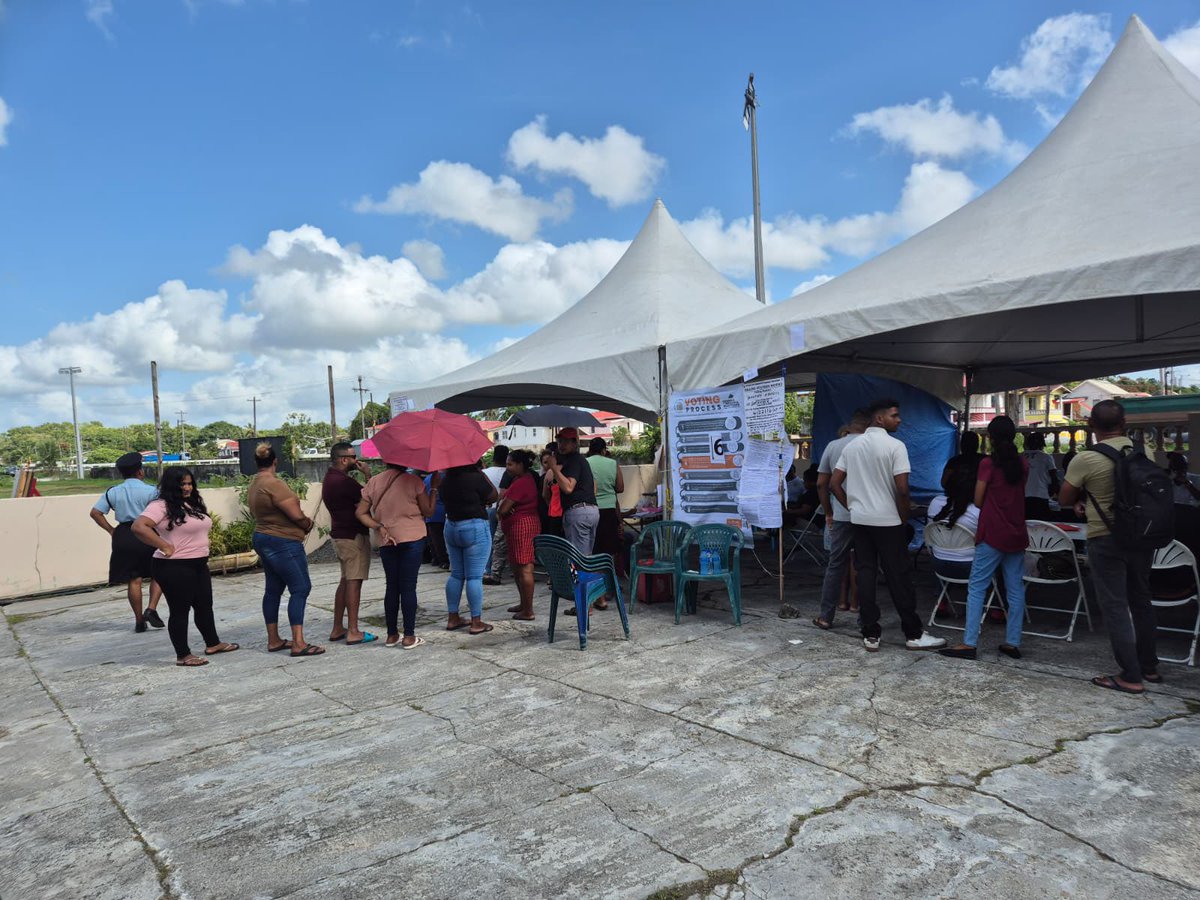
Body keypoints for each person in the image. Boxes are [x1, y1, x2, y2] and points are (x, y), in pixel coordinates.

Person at [1060, 400, 1160, 694]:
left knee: (1115, 606)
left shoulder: (1086, 459)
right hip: (1142, 537)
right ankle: (1149, 667)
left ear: (1090, 425)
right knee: (1141, 600)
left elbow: (1065, 499)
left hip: (1105, 537)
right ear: (1124, 423)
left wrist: (1083, 500)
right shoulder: (1145, 452)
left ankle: (1129, 675)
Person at [830, 398, 946, 652]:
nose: (900, 419)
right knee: (899, 577)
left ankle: (871, 633)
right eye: (895, 415)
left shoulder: (853, 446)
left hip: (860, 520)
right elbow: (902, 489)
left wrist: (851, 505)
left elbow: (833, 483)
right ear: (880, 419)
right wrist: (904, 516)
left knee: (866, 574)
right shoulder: (896, 446)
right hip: (888, 521)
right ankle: (913, 633)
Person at [939, 416, 1029, 661]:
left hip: (991, 532)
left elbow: (978, 500)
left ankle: (969, 642)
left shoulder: (988, 464)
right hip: (1016, 532)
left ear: (990, 437)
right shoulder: (1022, 463)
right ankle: (1012, 642)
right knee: (1015, 589)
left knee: (977, 587)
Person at [132, 468, 237, 667]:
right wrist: (163, 545)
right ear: (172, 485)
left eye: (190, 483)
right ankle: (183, 654)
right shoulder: (160, 506)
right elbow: (139, 526)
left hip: (198, 564)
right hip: (174, 566)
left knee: (204, 605)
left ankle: (213, 643)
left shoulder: (191, 504)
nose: (187, 488)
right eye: (183, 484)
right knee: (180, 610)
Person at [247, 443, 321, 657]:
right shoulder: (275, 484)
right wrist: (307, 524)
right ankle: (299, 643)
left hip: (264, 537)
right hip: (282, 540)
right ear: (275, 461)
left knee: (273, 589)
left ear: (256, 462)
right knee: (300, 588)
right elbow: (295, 514)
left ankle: (274, 640)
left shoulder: (255, 483)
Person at [357, 464, 437, 648]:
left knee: (392, 586)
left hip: (387, 539)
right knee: (408, 587)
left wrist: (379, 526)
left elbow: (360, 513)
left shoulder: (375, 481)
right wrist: (434, 488)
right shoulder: (414, 481)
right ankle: (409, 636)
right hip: (413, 537)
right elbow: (429, 511)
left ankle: (392, 635)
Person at [89, 452, 164, 633]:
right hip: (148, 533)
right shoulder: (153, 491)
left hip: (124, 535)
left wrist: (111, 530)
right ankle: (151, 608)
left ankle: (139, 621)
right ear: (140, 472)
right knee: (159, 573)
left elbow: (95, 513)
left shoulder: (113, 491)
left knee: (134, 579)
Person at [813, 408, 869, 630]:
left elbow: (821, 484)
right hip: (867, 515)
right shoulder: (870, 446)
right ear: (867, 427)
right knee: (865, 565)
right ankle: (864, 618)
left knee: (835, 565)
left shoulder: (833, 446)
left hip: (841, 516)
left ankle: (826, 616)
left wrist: (829, 512)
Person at [321, 442, 375, 645]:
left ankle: (338, 627)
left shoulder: (330, 478)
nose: (356, 460)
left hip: (340, 534)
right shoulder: (345, 483)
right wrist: (368, 476)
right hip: (353, 536)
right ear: (344, 459)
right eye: (353, 457)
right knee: (354, 581)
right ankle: (353, 630)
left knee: (345, 580)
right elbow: (369, 499)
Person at [440, 462, 498, 635]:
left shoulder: (446, 479)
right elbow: (494, 495)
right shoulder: (475, 477)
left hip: (451, 526)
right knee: (474, 577)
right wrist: (481, 473)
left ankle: (453, 618)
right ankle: (476, 622)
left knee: (456, 574)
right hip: (474, 526)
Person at [498, 450, 542, 620]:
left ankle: (528, 609)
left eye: (510, 464)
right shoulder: (520, 480)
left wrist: (504, 507)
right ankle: (524, 603)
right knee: (517, 567)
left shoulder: (523, 482)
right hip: (517, 525)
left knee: (524, 567)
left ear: (520, 464)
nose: (507, 467)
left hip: (522, 525)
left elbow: (503, 508)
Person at [543, 428, 598, 555]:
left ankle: (580, 575)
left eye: (566, 442)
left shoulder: (574, 460)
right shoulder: (578, 460)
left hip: (578, 511)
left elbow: (568, 488)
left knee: (578, 557)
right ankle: (584, 574)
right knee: (586, 555)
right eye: (560, 442)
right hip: (590, 510)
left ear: (575, 443)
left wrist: (553, 468)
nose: (561, 445)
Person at [925, 465, 982, 582]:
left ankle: (942, 595)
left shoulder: (935, 503)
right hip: (971, 566)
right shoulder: (978, 511)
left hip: (938, 564)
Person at [587, 437, 626, 589]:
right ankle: (611, 584)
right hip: (609, 510)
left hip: (591, 508)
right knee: (609, 551)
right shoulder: (613, 463)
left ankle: (596, 586)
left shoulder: (586, 463)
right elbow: (621, 488)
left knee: (593, 549)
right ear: (604, 450)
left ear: (590, 449)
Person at [483, 445, 510, 586]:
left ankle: (487, 569)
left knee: (488, 540)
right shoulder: (510, 472)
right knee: (501, 542)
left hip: (488, 509)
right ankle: (500, 568)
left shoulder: (485, 472)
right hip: (504, 510)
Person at [1023, 432, 1059, 520]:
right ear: (1042, 444)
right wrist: (1054, 491)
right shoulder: (1046, 457)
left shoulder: (1021, 456)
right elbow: (1054, 476)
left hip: (1023, 496)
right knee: (1041, 526)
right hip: (1041, 496)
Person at [424, 471, 449, 568]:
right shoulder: (449, 476)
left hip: (433, 513)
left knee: (435, 539)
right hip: (448, 511)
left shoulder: (427, 479)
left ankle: (439, 559)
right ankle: (447, 559)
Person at [540, 443, 564, 538]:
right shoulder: (570, 468)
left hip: (555, 511)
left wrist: (549, 503)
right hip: (567, 512)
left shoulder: (550, 473)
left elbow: (545, 495)